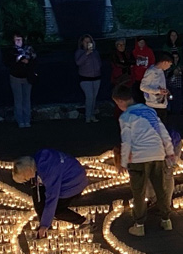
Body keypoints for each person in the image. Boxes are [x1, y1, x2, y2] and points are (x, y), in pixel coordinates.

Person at [114, 85, 175, 236]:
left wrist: (123, 163)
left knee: (139, 192)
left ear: (121, 101)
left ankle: (139, 225)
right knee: (161, 189)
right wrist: (170, 151)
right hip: (157, 154)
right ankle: (166, 220)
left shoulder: (126, 116)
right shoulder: (150, 111)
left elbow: (126, 141)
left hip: (139, 157)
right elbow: (163, 132)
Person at [11, 148, 89, 237]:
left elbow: (52, 198)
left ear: (28, 171)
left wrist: (45, 225)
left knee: (57, 209)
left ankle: (84, 222)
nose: (27, 180)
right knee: (38, 191)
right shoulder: (38, 159)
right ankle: (43, 224)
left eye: (25, 179)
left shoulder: (49, 173)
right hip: (70, 173)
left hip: (74, 183)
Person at [4, 33, 37, 129]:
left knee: (27, 99)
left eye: (20, 39)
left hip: (27, 77)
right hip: (15, 77)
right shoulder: (10, 51)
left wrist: (28, 61)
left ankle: (27, 120)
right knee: (18, 99)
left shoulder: (29, 49)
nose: (18, 41)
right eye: (16, 39)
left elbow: (35, 61)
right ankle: (20, 120)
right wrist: (17, 60)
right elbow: (7, 62)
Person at [75, 35, 102, 123]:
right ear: (82, 43)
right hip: (85, 78)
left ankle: (92, 115)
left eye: (89, 41)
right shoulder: (79, 52)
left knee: (94, 97)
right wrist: (86, 53)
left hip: (96, 77)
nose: (88, 43)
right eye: (86, 42)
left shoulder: (95, 52)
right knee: (89, 97)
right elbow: (78, 62)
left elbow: (99, 62)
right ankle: (88, 116)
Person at [140, 55, 172, 120]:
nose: (169, 67)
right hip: (153, 105)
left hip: (162, 104)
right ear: (165, 62)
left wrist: (165, 91)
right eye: (169, 64)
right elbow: (142, 87)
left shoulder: (161, 71)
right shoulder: (151, 71)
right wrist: (158, 91)